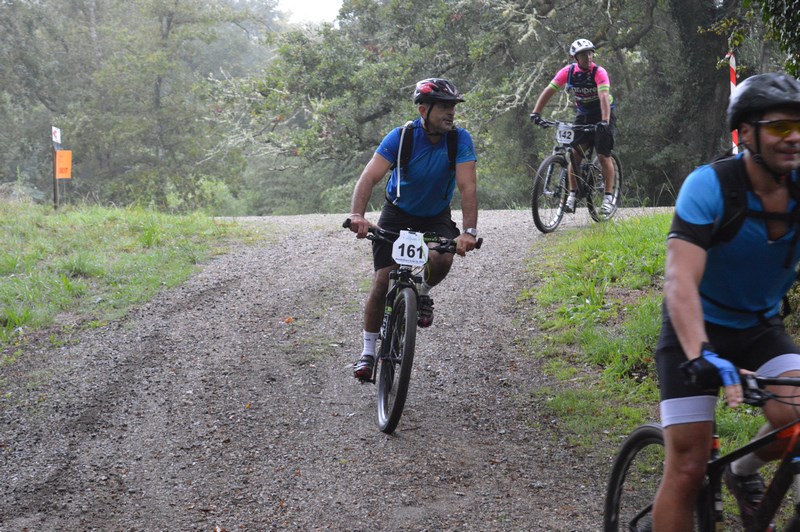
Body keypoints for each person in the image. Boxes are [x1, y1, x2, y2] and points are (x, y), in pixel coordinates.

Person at [652, 72, 800, 531]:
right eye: (779, 127)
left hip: (759, 328)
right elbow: (679, 281)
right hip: (692, 330)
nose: (793, 136)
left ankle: (741, 472)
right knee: (689, 466)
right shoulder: (710, 186)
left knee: (790, 417)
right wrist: (701, 355)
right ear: (748, 132)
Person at [346, 78, 479, 381]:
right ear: (423, 109)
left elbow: (467, 186)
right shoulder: (401, 137)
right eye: (444, 106)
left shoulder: (459, 140)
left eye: (453, 107)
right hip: (397, 212)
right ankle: (367, 352)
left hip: (435, 215)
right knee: (382, 282)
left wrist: (468, 231)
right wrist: (358, 215)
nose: (450, 112)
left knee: (442, 258)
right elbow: (368, 178)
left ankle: (424, 292)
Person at [529, 38, 616, 215]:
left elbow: (604, 96)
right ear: (575, 58)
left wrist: (605, 121)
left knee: (603, 155)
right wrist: (536, 112)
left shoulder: (599, 72)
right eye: (584, 54)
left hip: (603, 113)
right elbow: (549, 90)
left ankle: (608, 198)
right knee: (575, 155)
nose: (589, 57)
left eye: (591, 53)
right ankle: (572, 195)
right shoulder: (568, 72)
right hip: (583, 115)